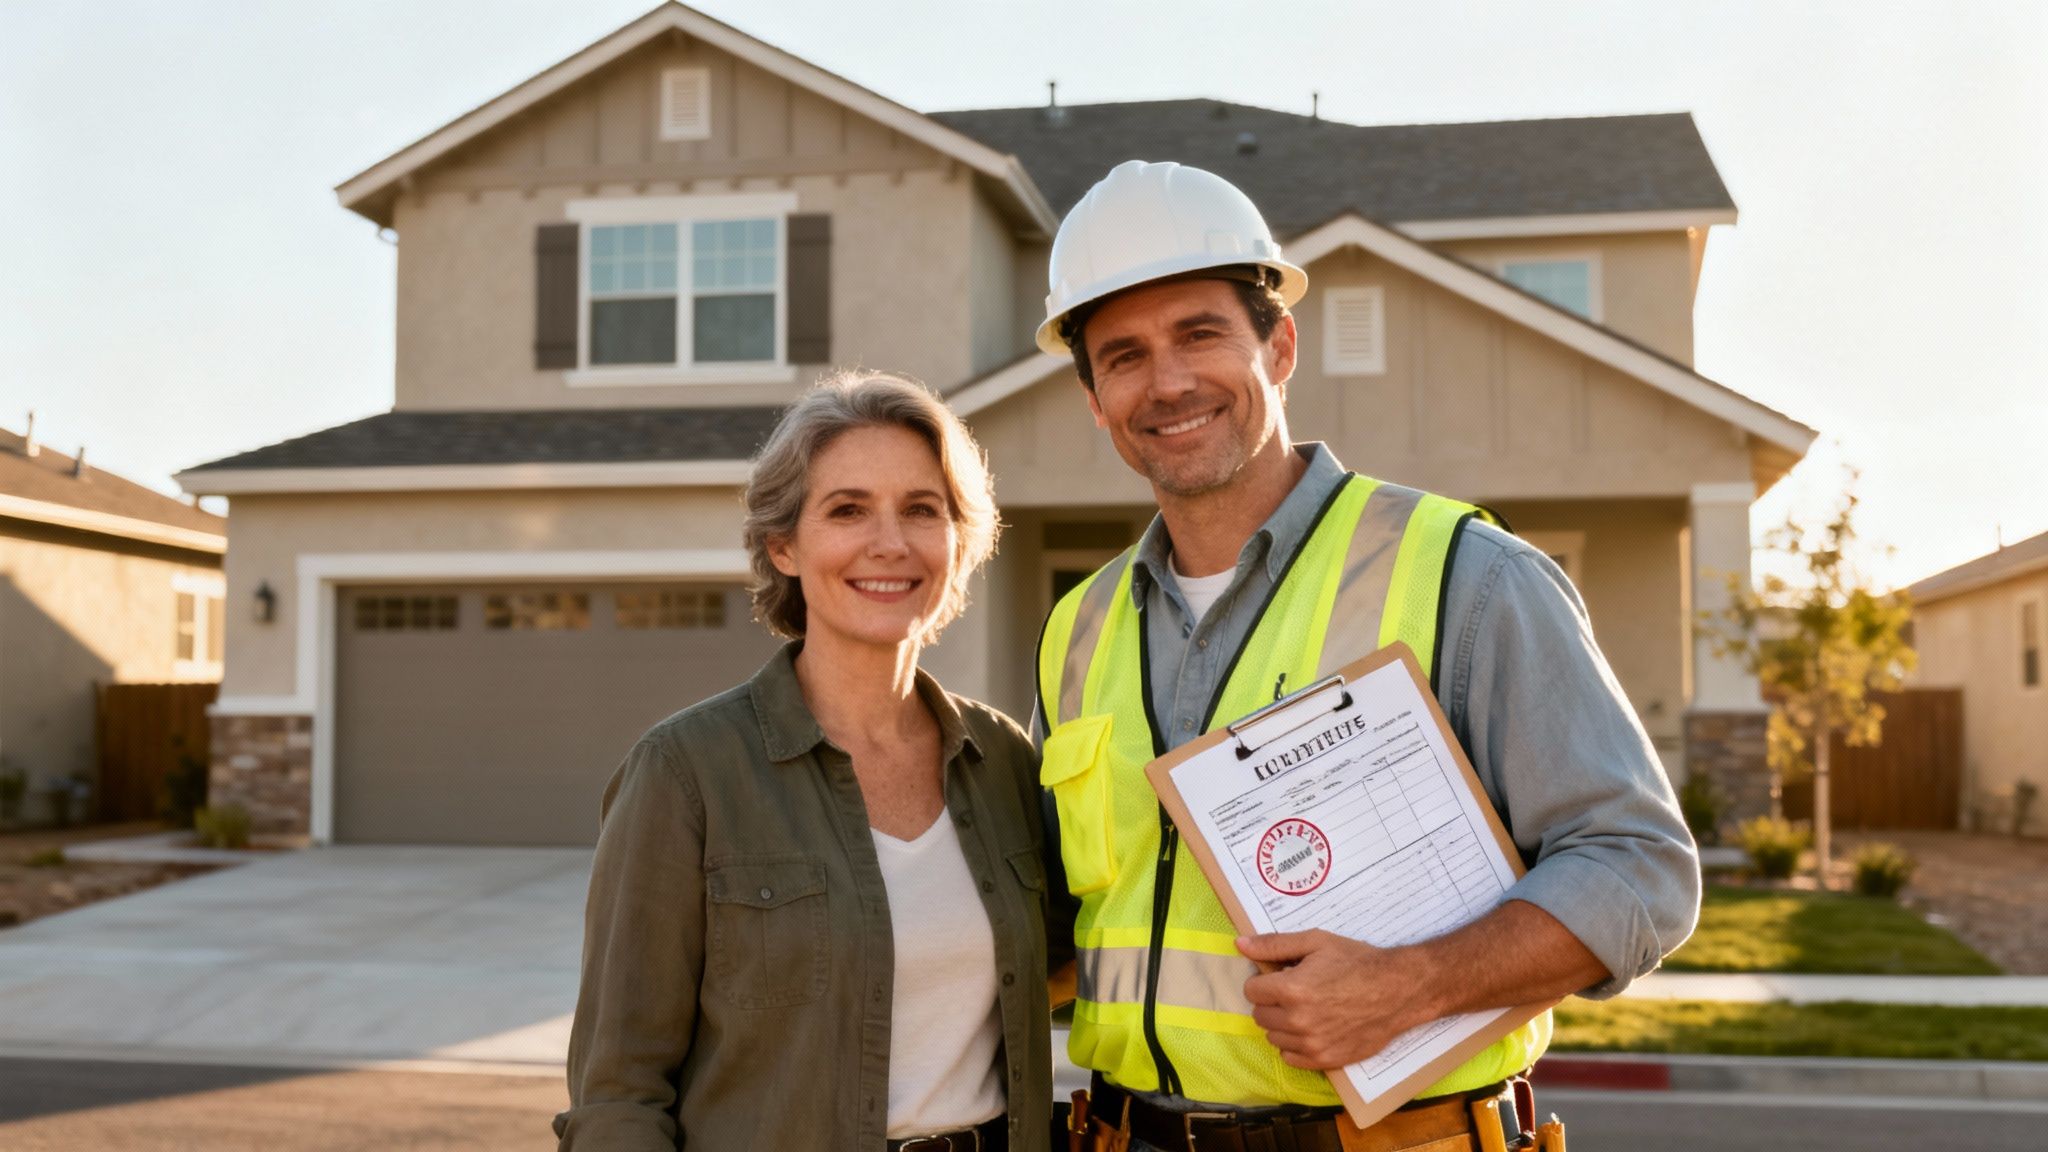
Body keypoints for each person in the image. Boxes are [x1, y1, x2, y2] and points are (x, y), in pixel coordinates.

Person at [1033, 160, 1701, 1151]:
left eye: (1200, 334)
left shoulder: (1461, 575)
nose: (1165, 382)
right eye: (1122, 355)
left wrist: (1411, 985)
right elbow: (1054, 923)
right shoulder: (1076, 628)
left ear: (1281, 346)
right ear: (1092, 397)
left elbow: (1639, 868)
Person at [555, 371, 1051, 1151]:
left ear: (958, 542)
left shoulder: (1006, 763)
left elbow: (1067, 977)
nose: (889, 543)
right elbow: (618, 1091)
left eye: (922, 510)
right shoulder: (686, 775)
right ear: (784, 545)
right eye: (848, 509)